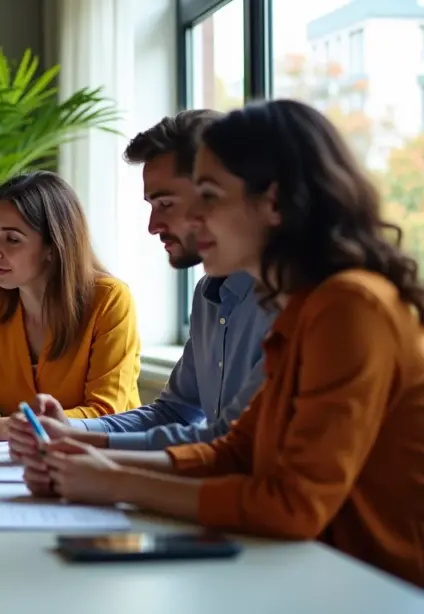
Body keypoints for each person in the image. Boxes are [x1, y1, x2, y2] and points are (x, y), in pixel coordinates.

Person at [22, 100, 424, 588]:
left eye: (209, 197)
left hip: (375, 588)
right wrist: (88, 464)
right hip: (311, 575)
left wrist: (114, 480)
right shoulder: (305, 306)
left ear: (273, 203)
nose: (193, 219)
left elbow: (293, 505)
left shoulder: (350, 306)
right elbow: (234, 453)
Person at [9, 111, 274, 457]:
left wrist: (88, 447)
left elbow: (231, 443)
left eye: (166, 203)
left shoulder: (289, 301)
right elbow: (175, 412)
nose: (152, 225)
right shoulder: (208, 294)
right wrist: (71, 430)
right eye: (152, 205)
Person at [0, 171, 141, 441]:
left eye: (12, 239)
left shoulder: (110, 300)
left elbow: (106, 414)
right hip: (21, 457)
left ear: (53, 246)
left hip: (104, 457)